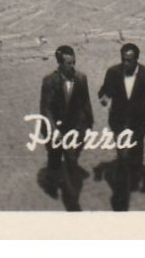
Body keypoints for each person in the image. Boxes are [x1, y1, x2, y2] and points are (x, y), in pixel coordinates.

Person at [97, 43, 145, 212]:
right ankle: (120, 196)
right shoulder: (113, 72)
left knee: (136, 154)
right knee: (123, 156)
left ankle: (135, 172)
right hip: (119, 123)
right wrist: (104, 97)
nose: (126, 64)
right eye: (123, 60)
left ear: (136, 60)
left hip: (138, 123)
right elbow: (104, 90)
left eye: (129, 61)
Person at [38, 45, 95, 212]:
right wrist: (53, 129)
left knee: (71, 162)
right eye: (68, 64)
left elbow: (86, 103)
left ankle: (72, 202)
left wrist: (89, 125)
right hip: (54, 128)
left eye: (74, 62)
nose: (72, 66)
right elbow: (46, 108)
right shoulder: (49, 81)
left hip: (74, 129)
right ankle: (51, 181)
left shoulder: (81, 79)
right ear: (60, 64)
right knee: (54, 160)